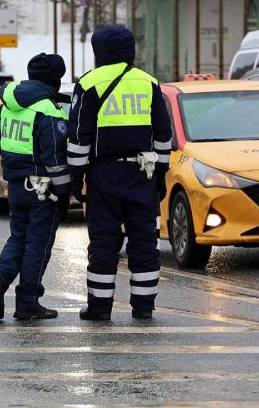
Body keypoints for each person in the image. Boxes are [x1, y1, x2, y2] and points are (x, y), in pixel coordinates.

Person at [67, 25, 172, 321]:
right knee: (144, 242)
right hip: (143, 174)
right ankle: (144, 307)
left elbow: (79, 137)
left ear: (98, 52)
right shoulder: (149, 83)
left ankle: (99, 308)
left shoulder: (89, 84)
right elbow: (163, 134)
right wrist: (161, 173)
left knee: (103, 241)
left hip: (104, 177)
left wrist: (76, 178)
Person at [0, 53, 71, 320]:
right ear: (55, 80)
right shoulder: (47, 109)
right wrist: (64, 190)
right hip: (42, 187)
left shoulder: (8, 104)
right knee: (38, 245)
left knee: (18, 238)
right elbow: (55, 157)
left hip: (15, 185)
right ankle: (28, 303)